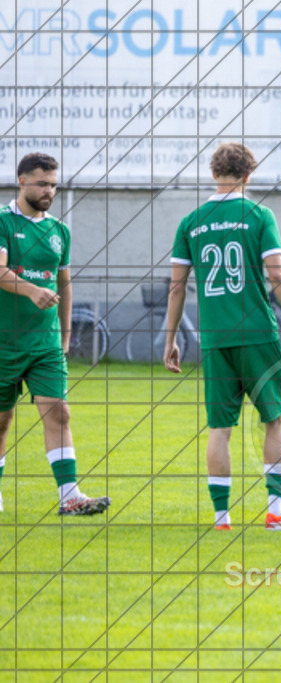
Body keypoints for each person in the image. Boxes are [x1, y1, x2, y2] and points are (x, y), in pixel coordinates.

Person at [165, 142, 281, 532]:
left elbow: (176, 289)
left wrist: (170, 339)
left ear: (215, 174)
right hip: (257, 334)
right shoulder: (259, 214)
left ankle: (221, 518)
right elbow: (277, 275)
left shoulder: (191, 222)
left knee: (220, 427)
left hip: (215, 338)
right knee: (275, 420)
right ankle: (277, 513)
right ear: (249, 175)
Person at [0, 153, 111, 516]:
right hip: (5, 342)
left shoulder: (59, 231)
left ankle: (70, 496)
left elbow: (65, 284)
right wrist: (31, 290)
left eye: (53, 184)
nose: (49, 190)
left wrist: (63, 340)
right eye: (41, 183)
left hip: (45, 344)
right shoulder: (3, 221)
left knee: (59, 413)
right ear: (21, 181)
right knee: (2, 421)